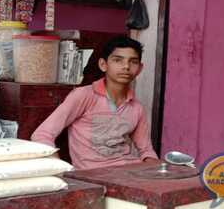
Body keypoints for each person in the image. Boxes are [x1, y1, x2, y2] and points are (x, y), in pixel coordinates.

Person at [32, 36, 158, 170]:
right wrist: (63, 170)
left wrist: (161, 171)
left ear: (139, 68)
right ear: (103, 65)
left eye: (133, 62)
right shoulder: (84, 96)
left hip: (130, 173)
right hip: (93, 177)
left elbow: (146, 151)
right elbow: (42, 135)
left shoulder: (136, 107)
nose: (126, 66)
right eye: (117, 60)